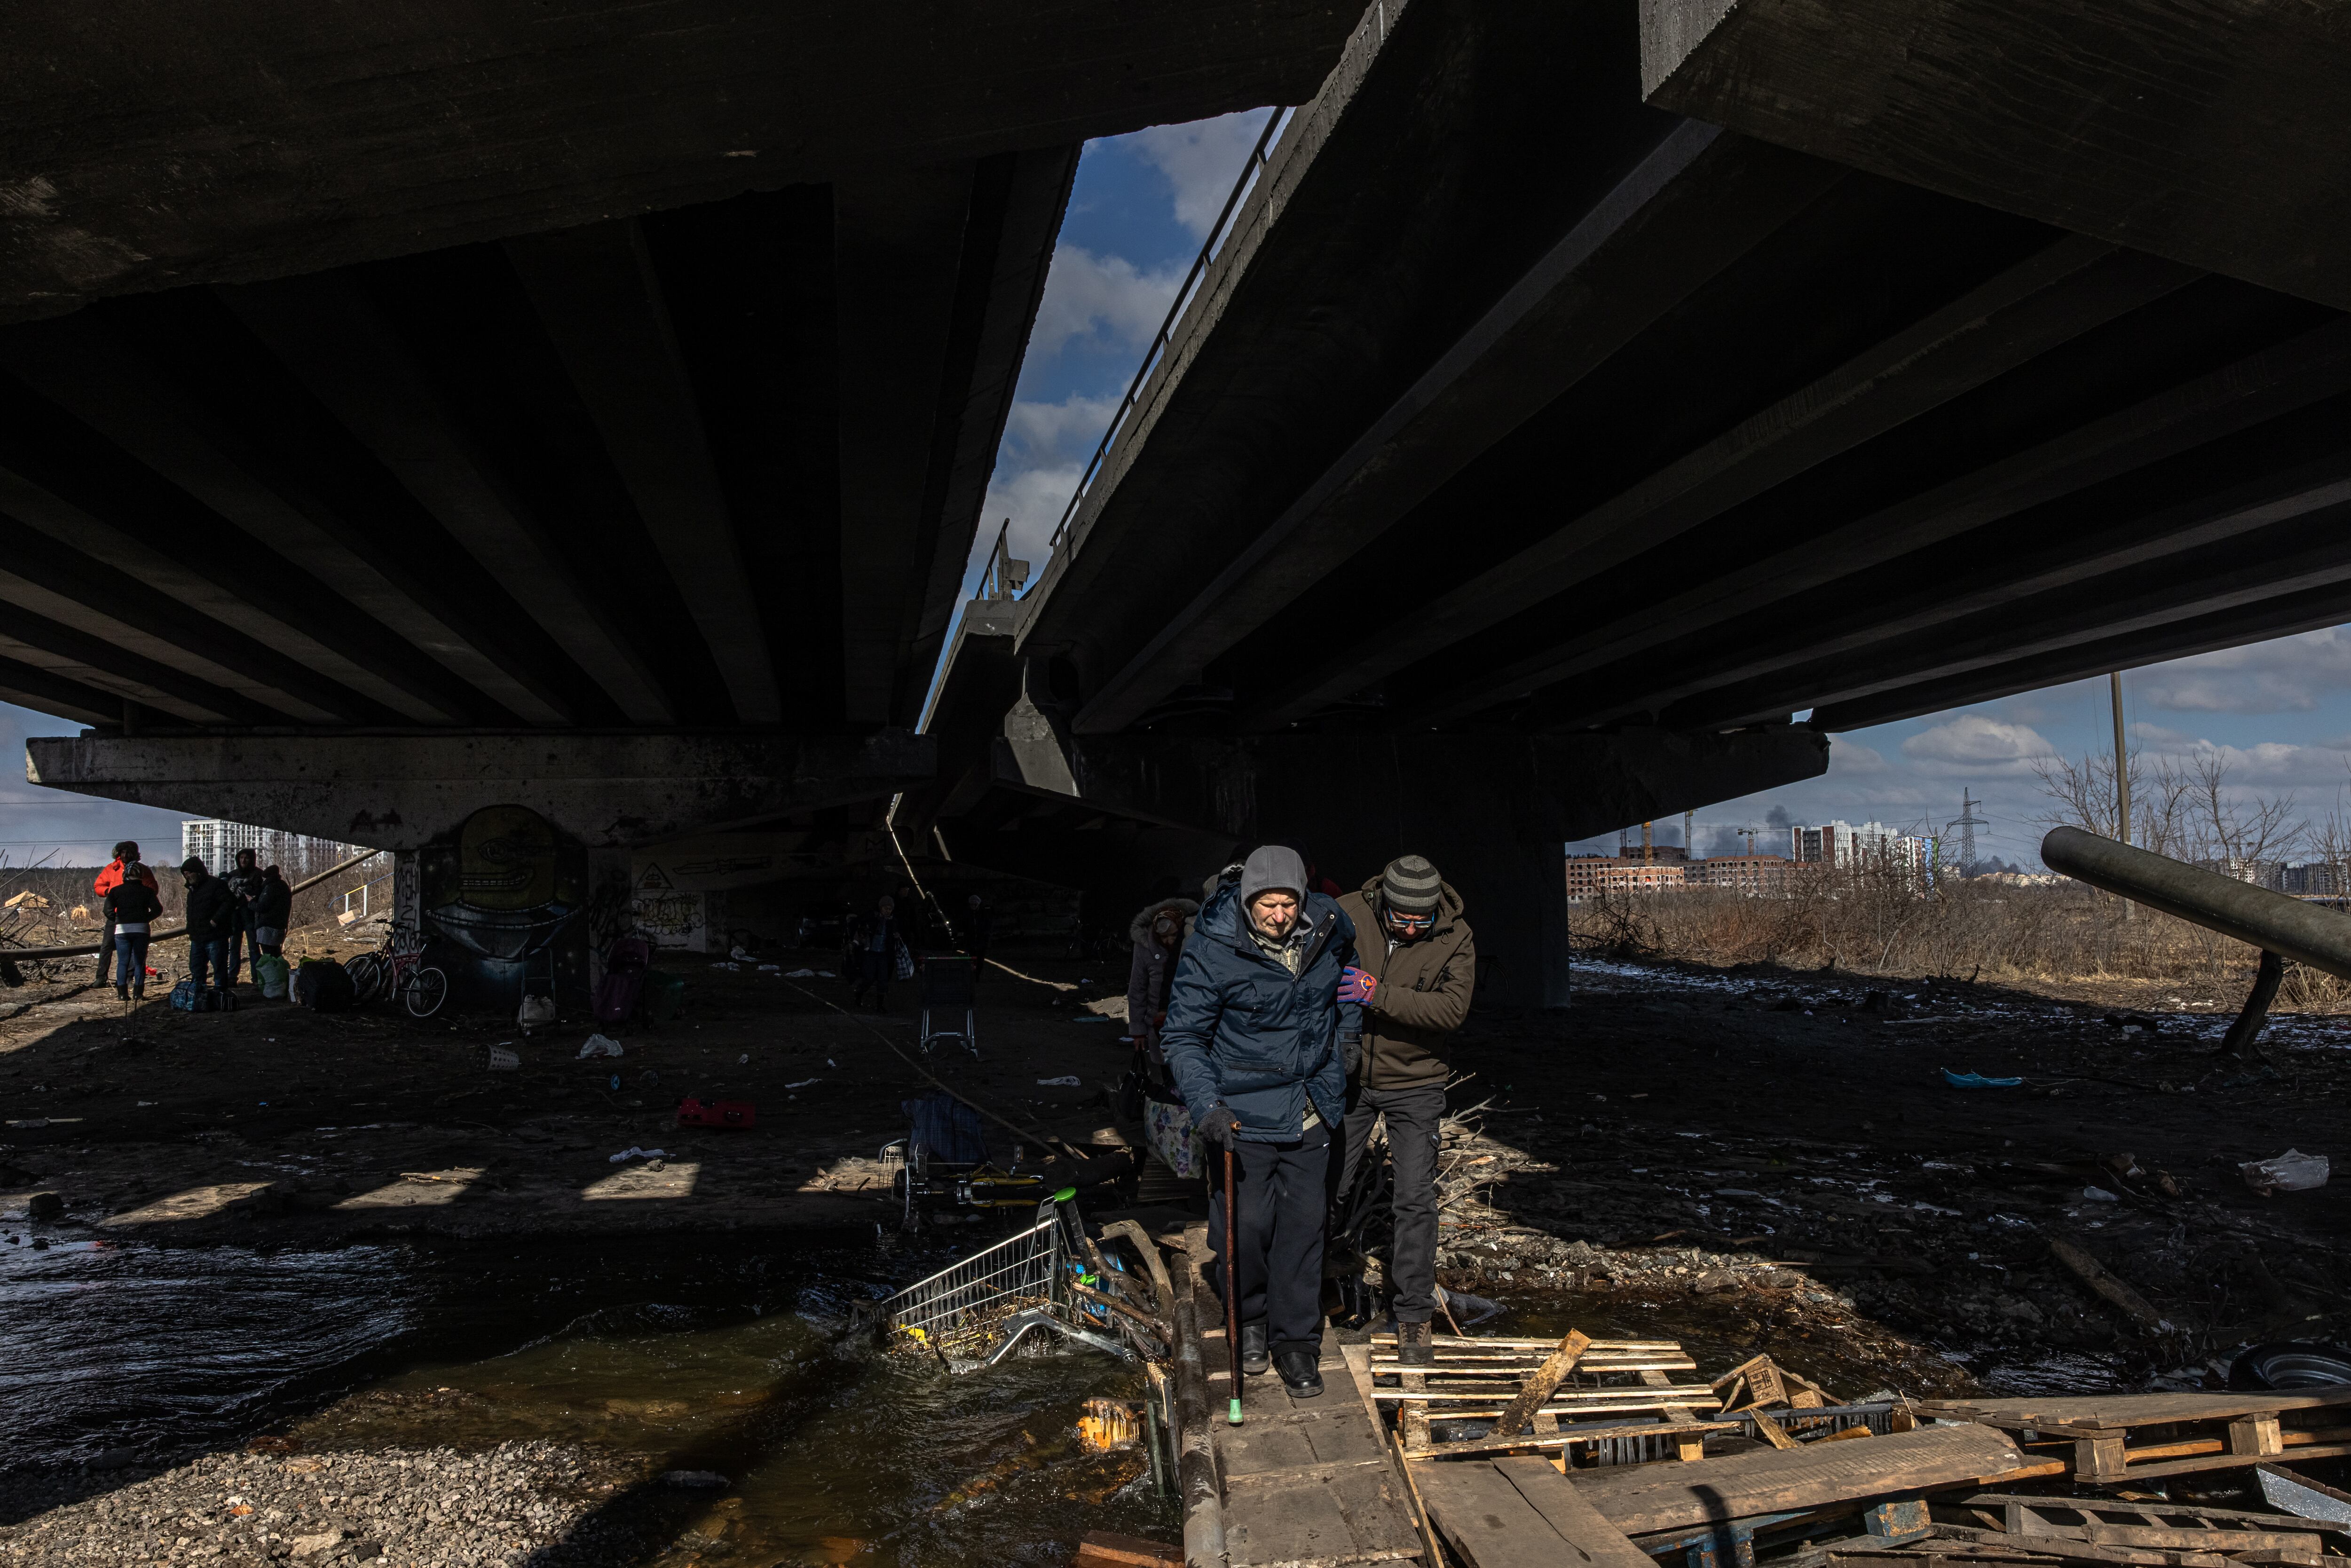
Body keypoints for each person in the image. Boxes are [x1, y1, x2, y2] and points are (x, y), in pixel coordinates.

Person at [1160, 845, 1358, 1400]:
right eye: (1267, 904)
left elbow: (1346, 984)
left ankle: (1295, 1341)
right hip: (1241, 1116)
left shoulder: (1327, 927)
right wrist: (1207, 1107)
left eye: (1287, 904)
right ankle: (1247, 1320)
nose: (1279, 915)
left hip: (1311, 1106)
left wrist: (1346, 1044)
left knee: (1303, 1228)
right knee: (1244, 1229)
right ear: (1248, 901)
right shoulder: (1212, 948)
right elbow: (1181, 1037)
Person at [1334, 855, 1476, 1366]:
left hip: (1416, 1082)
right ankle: (1316, 1289)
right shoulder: (1346, 912)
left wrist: (1377, 994)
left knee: (1414, 1198)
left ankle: (1413, 1314)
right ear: (1383, 902)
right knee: (1327, 1184)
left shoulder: (1454, 935)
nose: (1412, 928)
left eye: (1421, 919)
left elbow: (1450, 1009)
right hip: (1345, 1079)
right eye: (1401, 919)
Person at [1124, 893, 1198, 1069]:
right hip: (1158, 1025)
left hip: (1190, 1024)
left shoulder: (1193, 939)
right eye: (1163, 937)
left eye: (1173, 935)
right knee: (1165, 1074)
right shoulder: (1145, 946)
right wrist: (1138, 1032)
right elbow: (1137, 989)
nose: (1168, 941)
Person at [91, 842, 158, 982]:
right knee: (107, 946)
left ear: (135, 854)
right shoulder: (111, 869)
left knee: (135, 951)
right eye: (123, 852)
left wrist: (144, 914)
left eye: (129, 852)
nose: (125, 855)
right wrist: (110, 892)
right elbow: (99, 886)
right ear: (118, 854)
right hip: (116, 916)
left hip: (136, 917)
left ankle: (127, 979)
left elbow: (152, 890)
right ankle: (101, 978)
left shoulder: (143, 870)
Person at [102, 861, 162, 1001]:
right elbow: (158, 910)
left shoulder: (116, 891)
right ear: (140, 876)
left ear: (125, 875)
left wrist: (117, 919)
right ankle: (138, 994)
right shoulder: (148, 892)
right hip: (141, 929)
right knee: (139, 962)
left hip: (122, 930)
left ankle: (122, 994)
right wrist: (145, 918)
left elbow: (107, 911)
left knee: (122, 962)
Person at [180, 857, 240, 992]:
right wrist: (190, 929)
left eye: (189, 873)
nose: (187, 876)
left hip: (215, 936)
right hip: (197, 936)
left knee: (219, 967)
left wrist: (215, 921)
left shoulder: (216, 885)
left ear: (198, 872)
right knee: (196, 968)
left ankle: (221, 994)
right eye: (185, 874)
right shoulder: (192, 891)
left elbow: (229, 903)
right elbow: (191, 912)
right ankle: (199, 993)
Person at [845, 895, 905, 1012]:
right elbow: (860, 928)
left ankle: (880, 1005)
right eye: (885, 908)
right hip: (871, 953)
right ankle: (859, 994)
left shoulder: (892, 921)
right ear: (881, 907)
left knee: (883, 979)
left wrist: (897, 936)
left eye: (889, 909)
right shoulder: (872, 917)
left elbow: (895, 933)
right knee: (869, 977)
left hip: (884, 954)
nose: (887, 911)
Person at [223, 847, 266, 985]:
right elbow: (227, 895)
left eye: (247, 858)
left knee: (254, 948)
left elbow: (259, 893)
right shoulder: (232, 875)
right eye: (241, 858)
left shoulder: (258, 874)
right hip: (235, 915)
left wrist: (247, 895)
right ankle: (232, 977)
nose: (244, 860)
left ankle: (256, 978)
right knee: (234, 947)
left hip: (251, 915)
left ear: (252, 859)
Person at [252, 865, 292, 959]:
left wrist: (251, 902)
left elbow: (262, 907)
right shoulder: (283, 885)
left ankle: (275, 972)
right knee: (275, 953)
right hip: (279, 926)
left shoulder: (271, 888)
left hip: (268, 927)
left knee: (270, 955)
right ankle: (280, 971)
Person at [962, 892, 994, 976]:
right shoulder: (967, 914)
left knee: (980, 960)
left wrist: (986, 936)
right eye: (972, 904)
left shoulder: (983, 914)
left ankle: (977, 974)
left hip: (981, 941)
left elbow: (988, 926)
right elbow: (964, 926)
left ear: (978, 904)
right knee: (972, 959)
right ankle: (972, 974)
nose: (973, 906)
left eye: (975, 904)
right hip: (971, 941)